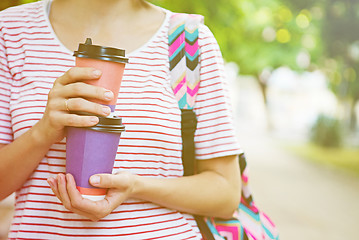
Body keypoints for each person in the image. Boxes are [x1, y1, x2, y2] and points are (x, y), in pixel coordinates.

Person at [0, 0, 243, 239]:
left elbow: (225, 194)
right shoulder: (10, 31)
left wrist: (136, 187)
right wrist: (43, 132)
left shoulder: (189, 40)